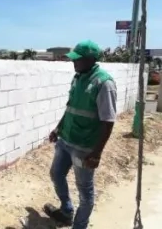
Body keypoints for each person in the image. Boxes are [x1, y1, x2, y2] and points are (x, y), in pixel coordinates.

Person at [45, 40, 116, 229]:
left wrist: (97, 153)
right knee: (56, 174)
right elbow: (70, 109)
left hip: (84, 148)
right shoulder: (78, 77)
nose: (73, 63)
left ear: (91, 59)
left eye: (78, 59)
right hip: (66, 140)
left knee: (85, 192)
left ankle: (80, 226)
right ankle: (66, 211)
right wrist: (58, 129)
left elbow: (108, 122)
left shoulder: (103, 83)